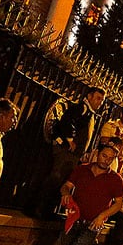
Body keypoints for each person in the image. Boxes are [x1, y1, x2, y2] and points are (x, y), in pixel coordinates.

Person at [51, 144, 123, 245]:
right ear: (97, 154)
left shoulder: (115, 179)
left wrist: (102, 216)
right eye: (104, 156)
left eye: (110, 158)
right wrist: (65, 194)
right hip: (74, 218)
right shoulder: (82, 169)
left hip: (93, 224)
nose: (106, 160)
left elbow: (119, 204)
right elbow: (66, 186)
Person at [38, 87, 106, 218]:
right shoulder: (82, 108)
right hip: (67, 152)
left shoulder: (89, 113)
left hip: (75, 155)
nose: (100, 102)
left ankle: (49, 209)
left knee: (64, 180)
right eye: (98, 98)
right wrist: (70, 139)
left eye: (102, 100)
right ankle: (40, 208)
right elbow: (68, 120)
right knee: (56, 177)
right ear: (89, 96)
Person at [98, 105, 123, 172]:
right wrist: (121, 137)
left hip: (121, 165)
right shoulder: (110, 125)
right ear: (121, 114)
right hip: (107, 161)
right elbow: (103, 140)